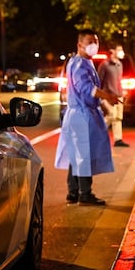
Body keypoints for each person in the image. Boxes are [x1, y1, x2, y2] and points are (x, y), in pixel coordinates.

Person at [54, 29, 120, 206]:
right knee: (84, 153)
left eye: (96, 41)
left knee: (76, 153)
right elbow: (86, 88)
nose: (94, 45)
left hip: (83, 113)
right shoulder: (79, 64)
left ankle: (73, 192)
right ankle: (85, 193)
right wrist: (108, 97)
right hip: (81, 115)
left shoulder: (84, 62)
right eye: (90, 41)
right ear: (80, 44)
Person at [97, 45, 129, 147]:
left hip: (118, 95)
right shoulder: (105, 65)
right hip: (108, 95)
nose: (121, 52)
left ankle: (118, 139)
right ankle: (98, 133)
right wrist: (101, 96)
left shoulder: (119, 64)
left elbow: (119, 80)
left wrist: (122, 94)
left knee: (118, 118)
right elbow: (99, 81)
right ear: (112, 51)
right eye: (119, 50)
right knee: (111, 115)